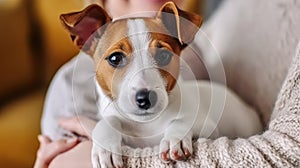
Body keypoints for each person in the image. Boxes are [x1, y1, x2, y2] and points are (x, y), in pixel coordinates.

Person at [35, 0, 300, 167]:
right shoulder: (71, 86)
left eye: (161, 55)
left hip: (246, 125)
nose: (142, 86)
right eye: (117, 58)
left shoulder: (206, 53)